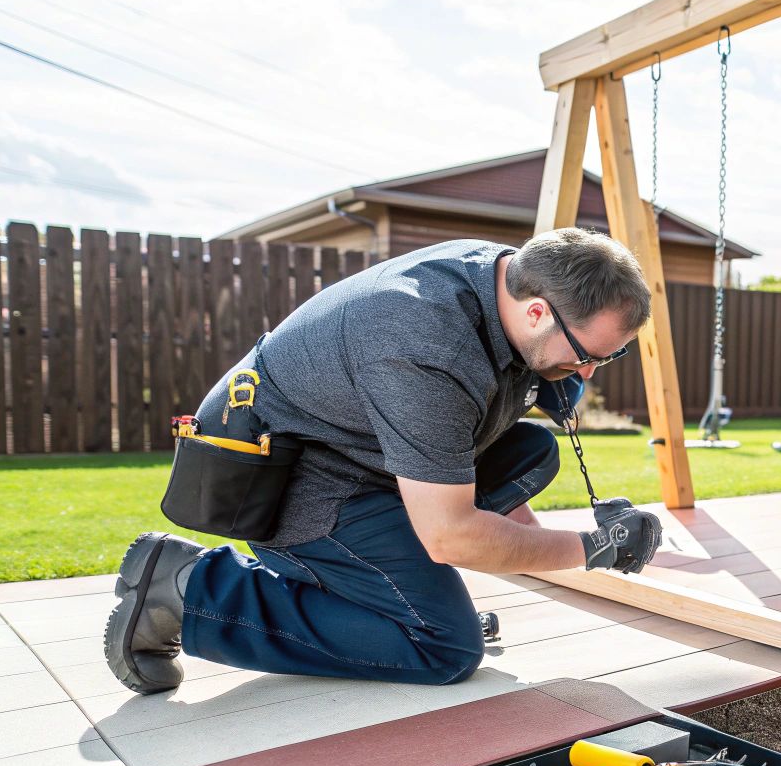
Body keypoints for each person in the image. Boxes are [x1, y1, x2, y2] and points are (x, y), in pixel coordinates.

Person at [103, 229, 663, 695]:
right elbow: (451, 537)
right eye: (588, 355)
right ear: (537, 310)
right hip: (289, 479)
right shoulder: (422, 341)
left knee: (531, 451)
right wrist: (594, 548)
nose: (590, 372)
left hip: (360, 450)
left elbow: (488, 498)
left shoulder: (505, 280)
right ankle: (187, 588)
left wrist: (540, 543)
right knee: (443, 645)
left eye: (608, 357)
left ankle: (380, 598)